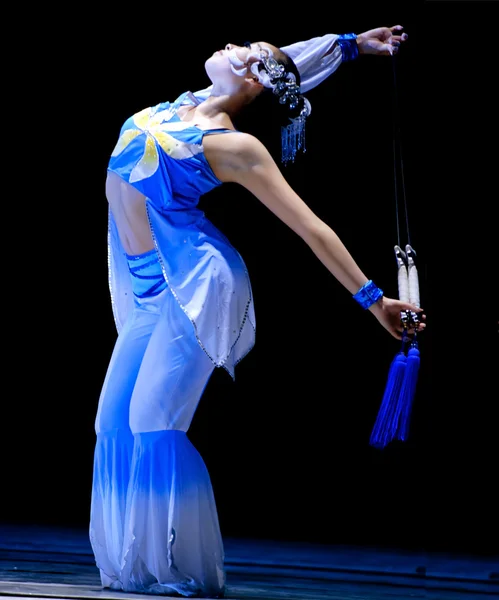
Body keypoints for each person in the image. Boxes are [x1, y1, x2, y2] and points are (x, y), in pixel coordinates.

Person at [89, 25, 424, 598]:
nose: (235, 45)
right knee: (111, 425)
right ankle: (131, 565)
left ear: (252, 81)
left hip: (194, 287)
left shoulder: (234, 145)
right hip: (146, 287)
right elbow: (281, 69)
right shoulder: (186, 104)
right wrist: (352, 46)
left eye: (250, 52)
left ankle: (178, 567)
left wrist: (375, 301)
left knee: (151, 423)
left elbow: (311, 228)